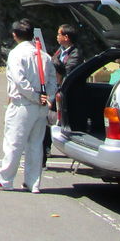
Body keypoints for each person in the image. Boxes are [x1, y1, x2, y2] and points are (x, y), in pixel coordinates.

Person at [0, 19, 56, 192]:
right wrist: (47, 98)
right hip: (41, 106)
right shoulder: (44, 55)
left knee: (14, 143)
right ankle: (33, 182)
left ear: (14, 35)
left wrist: (33, 96)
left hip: (23, 104)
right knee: (35, 144)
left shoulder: (16, 54)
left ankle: (5, 179)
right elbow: (53, 80)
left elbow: (19, 80)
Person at [43, 23, 81, 156]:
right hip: (54, 89)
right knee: (48, 119)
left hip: (66, 92)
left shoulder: (76, 53)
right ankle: (45, 148)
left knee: (57, 121)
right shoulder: (60, 50)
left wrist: (53, 61)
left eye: (59, 34)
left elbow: (68, 70)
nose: (57, 37)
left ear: (66, 37)